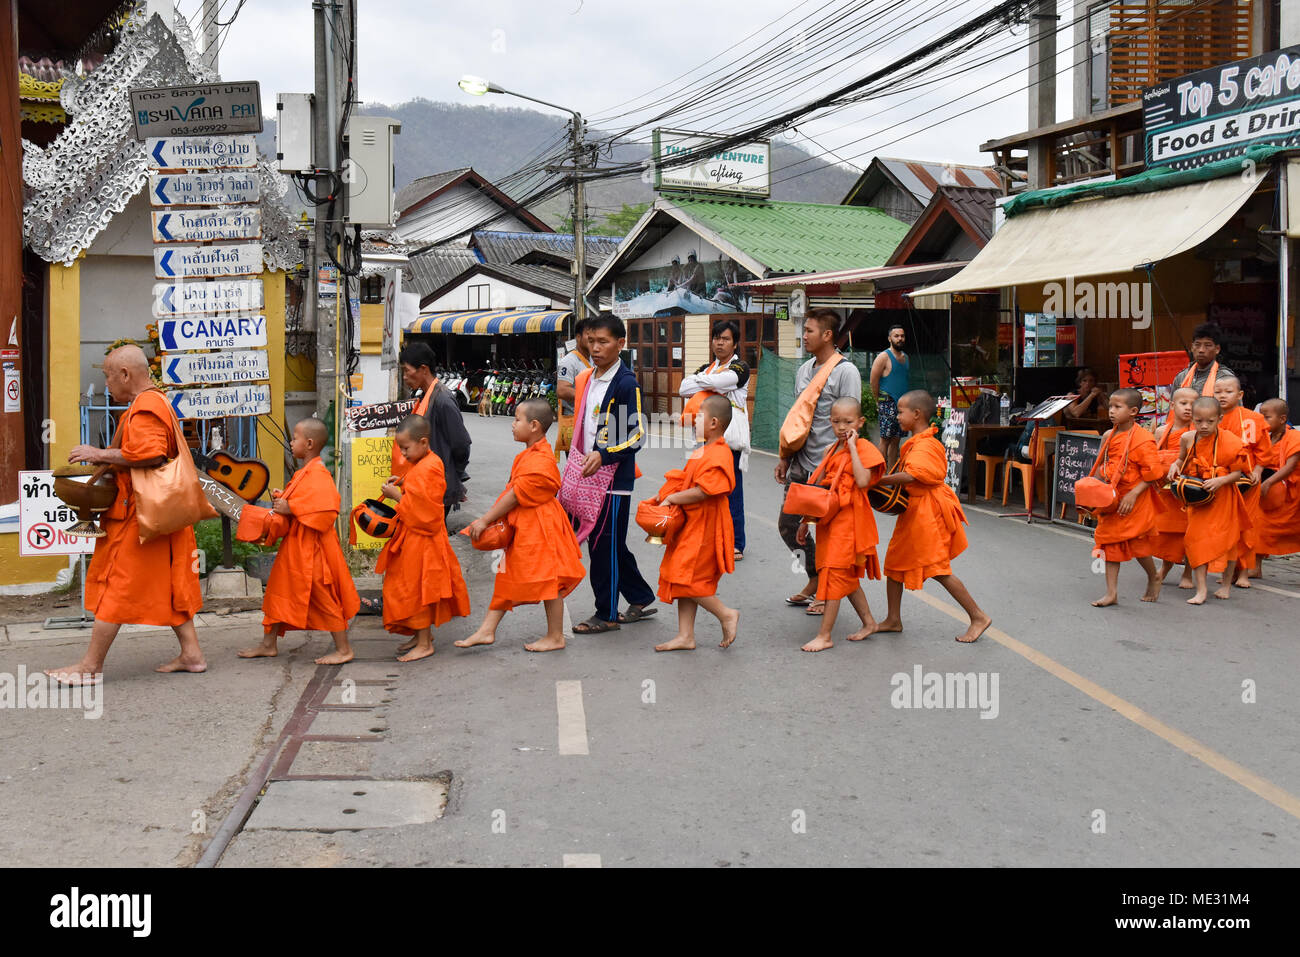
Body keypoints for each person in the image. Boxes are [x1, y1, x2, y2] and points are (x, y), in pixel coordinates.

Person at [45, 345, 205, 683]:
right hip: (161, 512)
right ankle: (192, 654)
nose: (106, 384)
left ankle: (90, 667)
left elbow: (150, 454)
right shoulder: (155, 400)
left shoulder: (146, 406)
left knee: (116, 586)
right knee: (169, 581)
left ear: (125, 375)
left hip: (140, 515)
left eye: (107, 375)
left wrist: (98, 453)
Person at [456, 399, 585, 653]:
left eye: (517, 420)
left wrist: (485, 520)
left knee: (551, 580)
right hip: (527, 525)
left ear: (534, 425)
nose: (512, 425)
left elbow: (515, 495)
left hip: (541, 526)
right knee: (509, 576)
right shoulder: (531, 454)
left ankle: (555, 636)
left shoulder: (541, 459)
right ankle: (487, 630)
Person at [235, 418, 360, 665]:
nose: (291, 443)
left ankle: (343, 649)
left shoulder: (319, 474)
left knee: (324, 598)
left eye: (295, 438)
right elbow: (302, 503)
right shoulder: (305, 473)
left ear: (310, 443)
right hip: (295, 547)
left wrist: (291, 507)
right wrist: (284, 501)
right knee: (277, 592)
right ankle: (268, 644)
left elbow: (326, 512)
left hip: (313, 551)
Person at [869, 390, 991, 643]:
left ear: (916, 414)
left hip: (927, 513)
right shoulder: (916, 441)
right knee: (894, 564)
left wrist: (878, 480)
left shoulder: (926, 444)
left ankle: (978, 616)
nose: (897, 416)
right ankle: (893, 619)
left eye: (901, 412)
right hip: (914, 511)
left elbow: (914, 475)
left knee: (937, 569)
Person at [569, 314, 659, 634]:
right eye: (591, 341)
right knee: (610, 544)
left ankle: (606, 614)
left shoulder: (624, 383)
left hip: (612, 482)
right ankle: (640, 595)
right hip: (588, 474)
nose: (595, 348)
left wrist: (604, 454)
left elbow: (635, 437)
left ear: (621, 343)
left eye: (603, 342)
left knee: (603, 545)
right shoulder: (590, 377)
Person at [776, 308, 863, 616]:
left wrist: (842, 462)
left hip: (831, 465)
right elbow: (797, 418)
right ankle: (814, 577)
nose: (805, 335)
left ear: (827, 335)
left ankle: (826, 590)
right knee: (788, 526)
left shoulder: (845, 371)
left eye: (810, 330)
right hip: (801, 462)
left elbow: (850, 421)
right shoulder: (804, 371)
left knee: (826, 531)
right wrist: (785, 456)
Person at [376, 416, 471, 661]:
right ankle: (420, 636)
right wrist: (402, 483)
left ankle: (425, 642)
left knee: (417, 589)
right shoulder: (423, 462)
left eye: (406, 448)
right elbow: (418, 491)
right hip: (412, 536)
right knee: (405, 587)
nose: (403, 454)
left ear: (424, 442)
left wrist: (398, 496)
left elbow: (428, 511)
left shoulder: (430, 466)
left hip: (423, 538)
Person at [794, 397, 885, 653]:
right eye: (836, 422)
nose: (842, 427)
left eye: (848, 422)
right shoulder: (830, 451)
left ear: (860, 422)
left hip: (851, 521)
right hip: (829, 522)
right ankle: (869, 622)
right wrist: (806, 521)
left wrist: (854, 448)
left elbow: (863, 479)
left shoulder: (866, 448)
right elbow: (818, 494)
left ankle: (825, 635)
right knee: (841, 574)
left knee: (834, 573)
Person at [651, 395, 741, 652]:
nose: (693, 420)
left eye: (699, 416)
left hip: (706, 526)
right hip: (692, 523)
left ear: (713, 422)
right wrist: (663, 494)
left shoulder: (721, 452)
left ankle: (725, 614)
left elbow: (705, 490)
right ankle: (685, 635)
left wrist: (673, 498)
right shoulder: (703, 449)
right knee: (685, 576)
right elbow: (686, 479)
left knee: (685, 577)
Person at [679, 319, 751, 560]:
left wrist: (704, 383)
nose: (720, 343)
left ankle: (736, 543)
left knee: (731, 491)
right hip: (703, 439)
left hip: (729, 440)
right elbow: (682, 388)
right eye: (717, 338)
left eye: (726, 339)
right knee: (704, 489)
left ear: (735, 343)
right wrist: (710, 383)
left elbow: (721, 381)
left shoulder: (741, 367)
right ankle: (712, 538)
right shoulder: (707, 368)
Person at [1086, 389, 1164, 607]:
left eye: (1117, 407)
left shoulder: (1143, 439)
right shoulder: (1108, 436)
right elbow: (1102, 464)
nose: (1111, 411)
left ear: (1133, 411)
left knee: (1138, 545)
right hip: (1112, 498)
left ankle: (1153, 575)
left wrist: (1133, 493)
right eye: (1110, 406)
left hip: (1134, 499)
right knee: (1109, 542)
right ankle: (1111, 593)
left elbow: (1154, 473)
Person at [1168, 398, 1252, 604]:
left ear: (1220, 419)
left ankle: (1224, 586)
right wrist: (1174, 466)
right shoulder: (1188, 438)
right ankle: (1201, 590)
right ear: (1192, 420)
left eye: (1210, 421)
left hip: (1223, 497)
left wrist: (1221, 480)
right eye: (1199, 421)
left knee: (1228, 541)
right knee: (1195, 541)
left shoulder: (1230, 440)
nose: (1204, 426)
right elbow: (1181, 459)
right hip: (1198, 497)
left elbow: (1239, 474)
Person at [394, 342, 472, 517]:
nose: (405, 377)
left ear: (423, 369)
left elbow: (461, 445)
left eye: (406, 371)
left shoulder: (443, 399)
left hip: (437, 485)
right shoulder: (424, 396)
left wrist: (452, 476)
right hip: (424, 482)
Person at [1213, 375, 1270, 587]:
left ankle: (1244, 572)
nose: (1222, 396)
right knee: (1226, 526)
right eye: (1218, 392)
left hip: (1247, 480)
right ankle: (1229, 570)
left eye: (1228, 392)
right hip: (1221, 479)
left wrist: (1257, 470)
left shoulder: (1252, 419)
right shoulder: (1210, 417)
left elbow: (1264, 450)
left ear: (1240, 395)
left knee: (1247, 525)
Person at [1152, 387, 1198, 589]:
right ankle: (1165, 567)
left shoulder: (1198, 432)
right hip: (1166, 492)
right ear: (1172, 406)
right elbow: (1152, 458)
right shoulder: (1162, 431)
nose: (1188, 408)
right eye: (1183, 403)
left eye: (1193, 404)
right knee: (1168, 534)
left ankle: (1188, 573)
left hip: (1189, 491)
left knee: (1190, 534)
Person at [1255, 399, 1300, 564]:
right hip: (1270, 495)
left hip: (1291, 494)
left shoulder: (1294, 436)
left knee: (1267, 527)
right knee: (1258, 525)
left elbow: (1290, 467)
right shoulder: (1265, 438)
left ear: (1282, 419)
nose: (1263, 422)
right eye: (1260, 418)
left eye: (1267, 417)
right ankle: (1254, 566)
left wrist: (1267, 483)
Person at [870, 324, 909, 471]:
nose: (900, 339)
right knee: (885, 440)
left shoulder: (906, 358)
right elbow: (874, 380)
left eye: (902, 336)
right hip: (887, 402)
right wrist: (877, 400)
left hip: (902, 405)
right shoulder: (883, 357)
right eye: (896, 336)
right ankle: (880, 474)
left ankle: (892, 475)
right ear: (889, 338)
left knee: (896, 441)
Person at [1169, 322, 1236, 402]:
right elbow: (1173, 409)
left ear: (1217, 349)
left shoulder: (1225, 377)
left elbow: (1236, 412)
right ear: (1192, 347)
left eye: (1207, 345)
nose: (1201, 350)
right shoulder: (1182, 377)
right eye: (1197, 345)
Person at [555, 319, 593, 458]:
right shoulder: (569, 361)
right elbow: (562, 390)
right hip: (576, 424)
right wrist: (591, 396)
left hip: (591, 423)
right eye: (588, 334)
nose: (592, 339)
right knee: (578, 468)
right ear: (578, 337)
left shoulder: (595, 359)